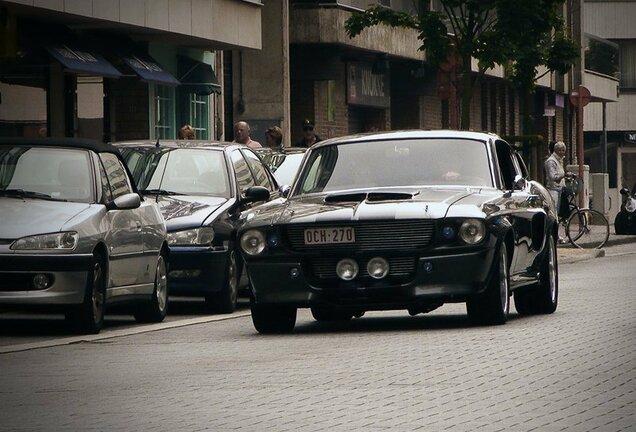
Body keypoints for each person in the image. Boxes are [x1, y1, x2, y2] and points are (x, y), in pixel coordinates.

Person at [544, 141, 569, 214]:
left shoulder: (559, 160)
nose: (562, 152)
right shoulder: (551, 161)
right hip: (553, 190)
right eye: (560, 150)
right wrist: (564, 175)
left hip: (559, 190)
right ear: (556, 150)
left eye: (563, 150)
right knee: (553, 212)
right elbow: (552, 176)